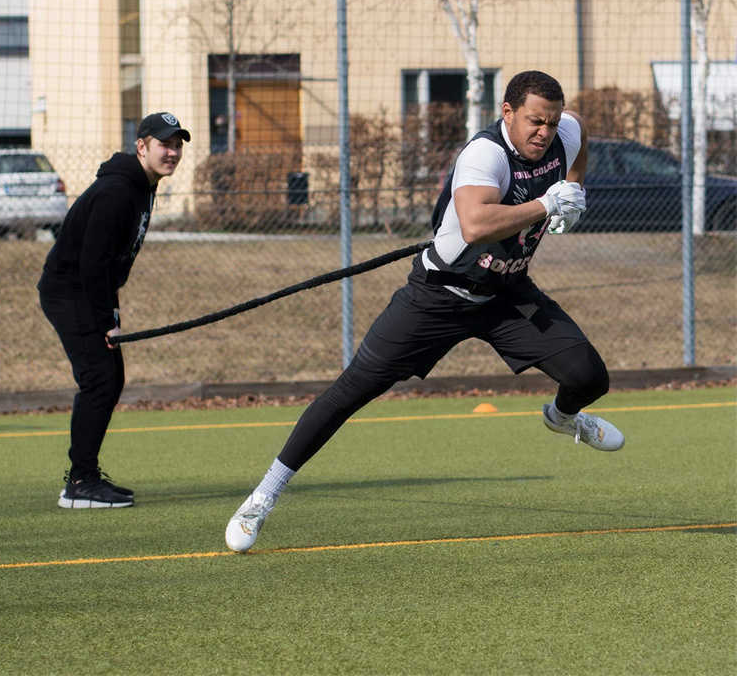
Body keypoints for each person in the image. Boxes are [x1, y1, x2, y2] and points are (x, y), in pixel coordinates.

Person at [225, 70, 624, 552]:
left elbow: (578, 143)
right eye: (535, 121)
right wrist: (545, 203)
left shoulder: (564, 131)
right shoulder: (485, 154)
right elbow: (476, 223)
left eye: (551, 121)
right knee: (351, 390)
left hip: (506, 293)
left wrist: (574, 192)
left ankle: (562, 419)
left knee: (589, 377)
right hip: (439, 296)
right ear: (508, 112)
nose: (545, 132)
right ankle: (263, 495)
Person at [38, 112, 190, 509]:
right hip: (70, 291)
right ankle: (80, 483)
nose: (172, 152)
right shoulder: (118, 191)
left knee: (110, 377)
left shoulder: (143, 186)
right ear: (142, 146)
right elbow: (92, 263)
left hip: (88, 289)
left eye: (177, 145)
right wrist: (107, 321)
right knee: (100, 379)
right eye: (164, 144)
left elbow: (109, 265)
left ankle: (84, 476)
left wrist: (113, 315)